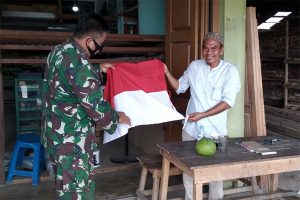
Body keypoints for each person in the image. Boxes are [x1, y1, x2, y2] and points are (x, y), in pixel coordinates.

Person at [42, 13, 131, 199]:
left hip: (56, 136)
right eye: (100, 43)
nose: (100, 48)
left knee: (65, 187)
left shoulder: (59, 50)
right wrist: (116, 118)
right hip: (72, 142)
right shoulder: (79, 62)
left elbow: (66, 82)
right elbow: (94, 106)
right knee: (77, 192)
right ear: (89, 40)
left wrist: (98, 70)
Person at [164, 32, 241, 200]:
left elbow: (227, 102)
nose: (209, 52)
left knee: (216, 174)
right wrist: (166, 72)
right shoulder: (195, 66)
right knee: (189, 171)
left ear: (221, 50)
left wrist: (203, 115)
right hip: (191, 130)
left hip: (216, 132)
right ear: (201, 50)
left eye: (214, 48)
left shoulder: (230, 71)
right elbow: (179, 87)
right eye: (205, 48)